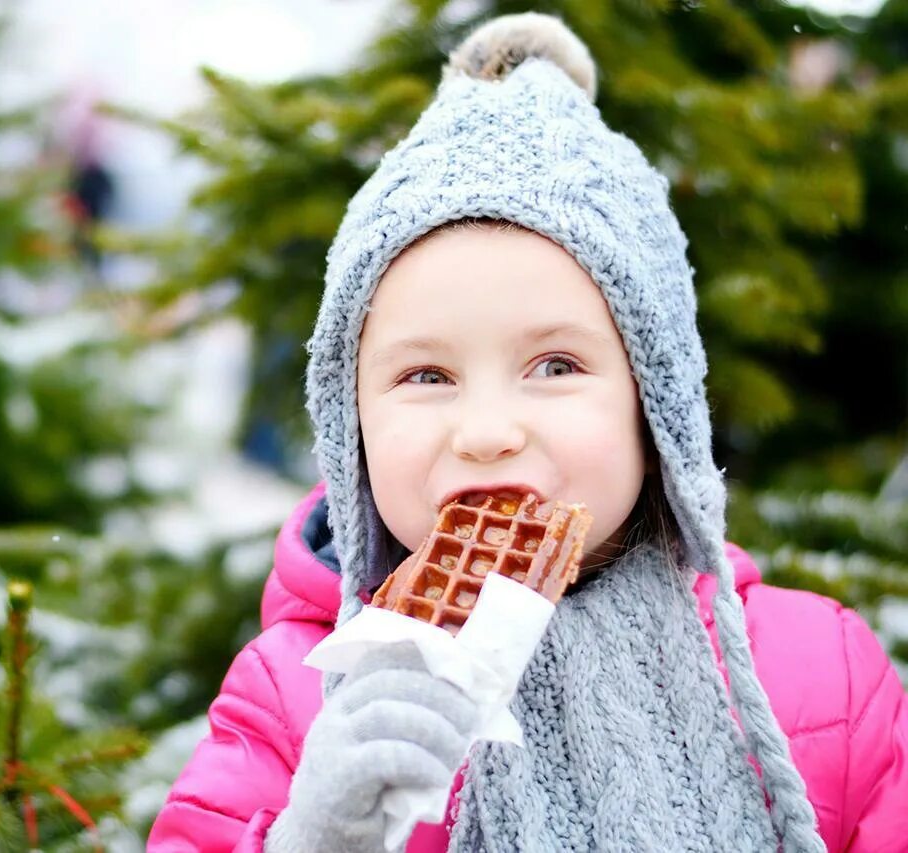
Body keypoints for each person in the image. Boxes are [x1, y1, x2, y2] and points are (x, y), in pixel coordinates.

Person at [147, 13, 907, 852]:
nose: (487, 431)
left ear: (656, 408)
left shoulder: (817, 673)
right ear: (350, 428)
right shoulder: (301, 700)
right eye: (425, 377)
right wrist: (312, 835)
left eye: (554, 365)